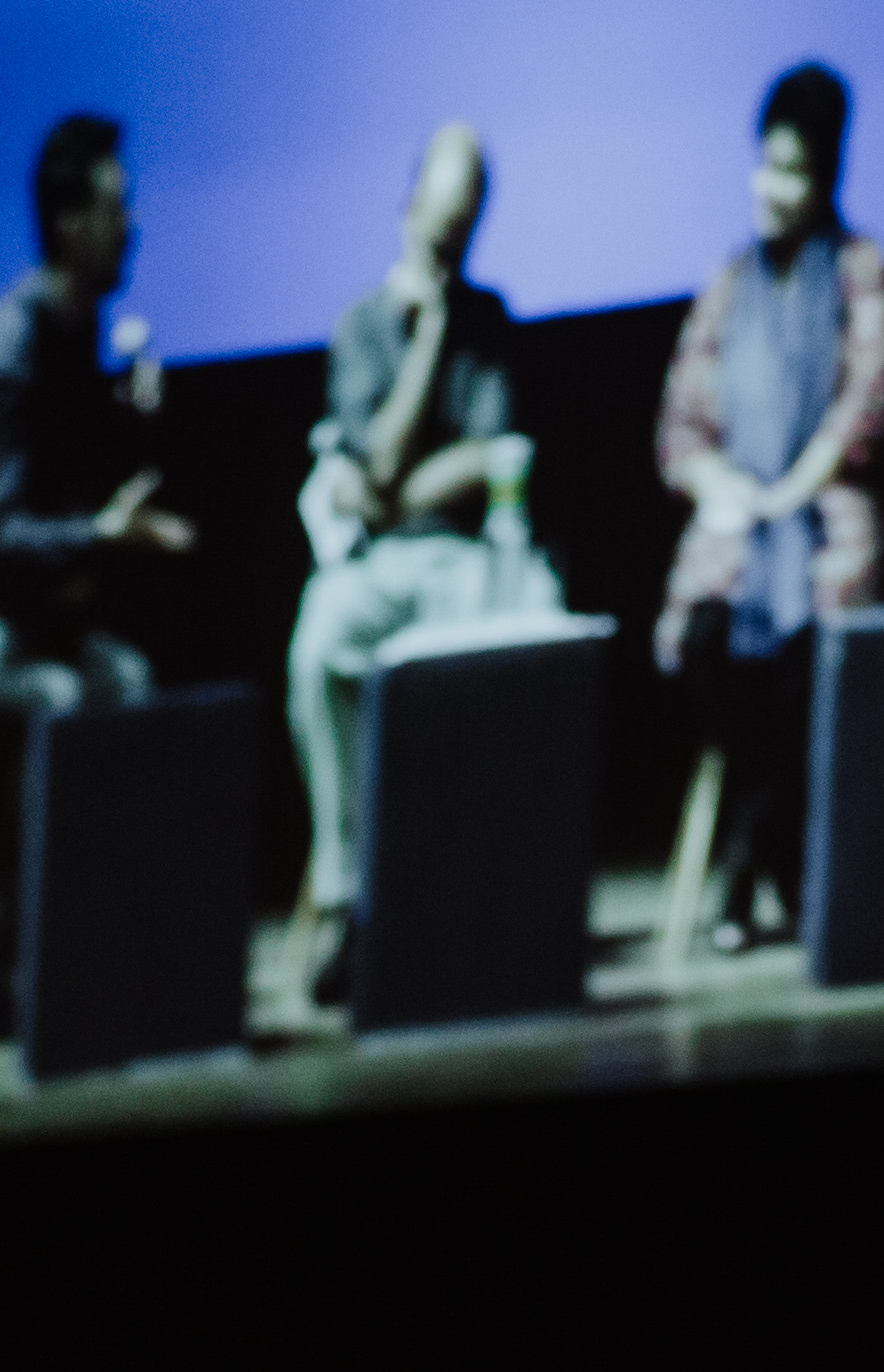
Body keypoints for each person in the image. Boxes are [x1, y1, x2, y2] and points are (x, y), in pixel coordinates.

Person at [0, 112, 194, 1041]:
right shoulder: (16, 342)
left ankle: (108, 948)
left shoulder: (81, 334)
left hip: (40, 625)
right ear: (71, 224)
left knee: (133, 684)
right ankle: (14, 962)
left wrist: (129, 423)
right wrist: (101, 533)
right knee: (63, 701)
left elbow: (73, 492)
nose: (132, 226)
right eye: (117, 208)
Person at [287, 123, 547, 1003]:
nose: (448, 248)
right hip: (379, 564)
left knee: (528, 621)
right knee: (319, 646)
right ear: (407, 212)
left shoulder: (493, 321)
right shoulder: (359, 328)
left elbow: (488, 457)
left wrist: (398, 486)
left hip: (463, 557)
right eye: (438, 228)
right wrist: (429, 338)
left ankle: (486, 895)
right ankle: (346, 899)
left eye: (463, 230)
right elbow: (382, 457)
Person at [650, 62, 884, 955]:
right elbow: (679, 427)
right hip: (739, 519)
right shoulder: (728, 284)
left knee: (808, 645)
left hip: (820, 509)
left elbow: (866, 401)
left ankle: (754, 847)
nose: (773, 188)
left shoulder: (858, 271)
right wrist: (727, 488)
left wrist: (792, 490)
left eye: (793, 170)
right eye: (766, 165)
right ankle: (765, 845)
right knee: (709, 638)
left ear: (825, 175)